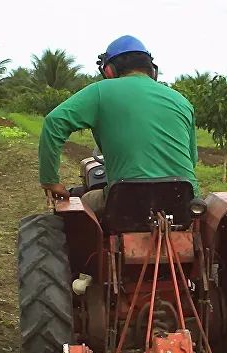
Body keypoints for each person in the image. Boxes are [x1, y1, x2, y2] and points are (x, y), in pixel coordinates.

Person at [37, 35, 198, 218]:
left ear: (109, 71)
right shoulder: (182, 101)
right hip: (184, 200)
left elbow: (53, 122)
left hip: (125, 199)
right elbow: (192, 159)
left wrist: (50, 181)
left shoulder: (100, 91)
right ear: (153, 70)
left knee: (83, 201)